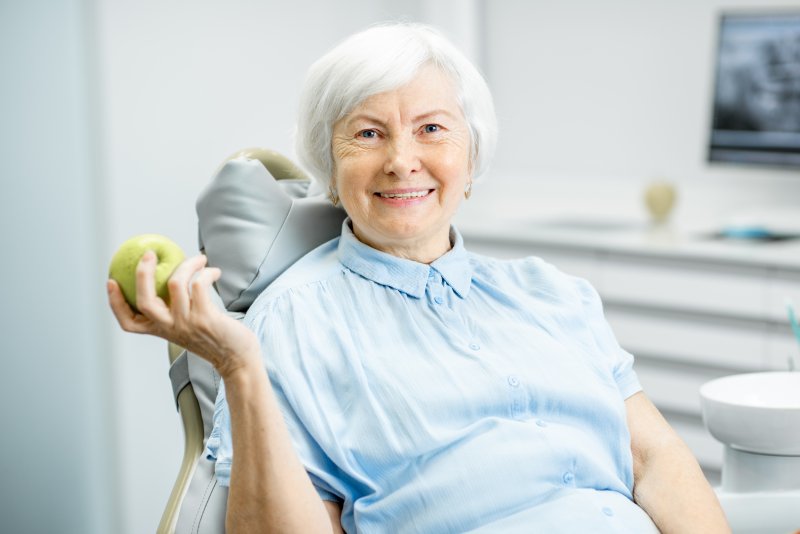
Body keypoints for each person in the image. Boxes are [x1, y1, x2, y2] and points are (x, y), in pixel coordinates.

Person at [108, 23, 731, 533]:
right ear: (330, 165)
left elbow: (653, 459)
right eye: (368, 134)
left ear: (472, 152)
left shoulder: (553, 294)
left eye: (431, 128)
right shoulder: (293, 321)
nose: (402, 160)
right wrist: (240, 368)